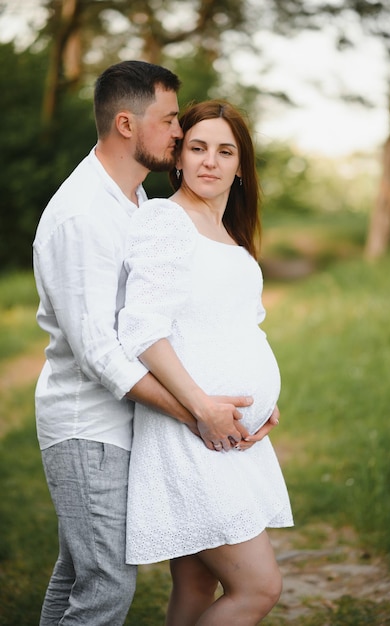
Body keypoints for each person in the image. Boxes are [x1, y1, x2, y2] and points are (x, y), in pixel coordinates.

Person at [33, 62, 275, 626]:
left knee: (78, 578)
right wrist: (198, 413)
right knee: (104, 587)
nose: (177, 134)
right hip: (88, 426)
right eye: (170, 122)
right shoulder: (82, 215)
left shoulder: (134, 201)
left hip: (129, 424)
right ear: (125, 123)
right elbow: (100, 351)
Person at [118, 100, 294, 626]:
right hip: (193, 434)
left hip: (229, 436)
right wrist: (201, 408)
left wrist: (267, 396)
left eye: (225, 151)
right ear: (178, 158)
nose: (210, 162)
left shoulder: (230, 235)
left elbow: (235, 326)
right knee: (259, 588)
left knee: (196, 585)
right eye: (197, 148)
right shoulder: (167, 221)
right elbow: (142, 330)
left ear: (242, 166)